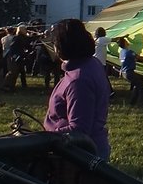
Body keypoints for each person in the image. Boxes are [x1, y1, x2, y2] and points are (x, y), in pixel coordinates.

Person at [44, 19, 111, 159]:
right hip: (85, 149)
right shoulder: (92, 64)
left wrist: (41, 138)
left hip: (78, 156)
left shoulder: (79, 80)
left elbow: (78, 129)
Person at [117, 37, 143, 107]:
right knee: (142, 87)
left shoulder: (121, 52)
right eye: (126, 41)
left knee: (139, 83)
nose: (127, 42)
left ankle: (132, 102)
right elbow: (139, 58)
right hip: (129, 72)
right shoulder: (129, 52)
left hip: (124, 73)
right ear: (124, 43)